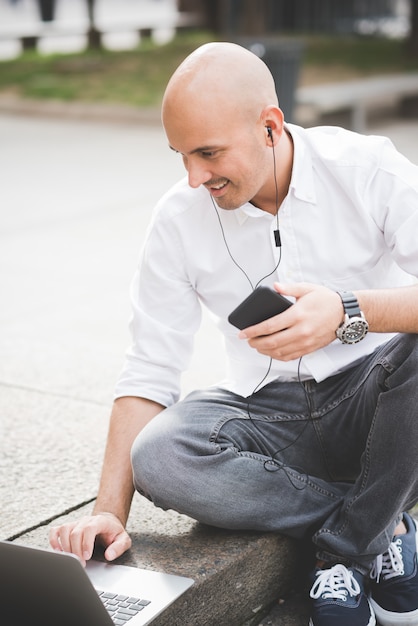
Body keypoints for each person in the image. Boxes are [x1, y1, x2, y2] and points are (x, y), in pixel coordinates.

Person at [49, 42, 418, 626]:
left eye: (208, 153)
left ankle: (347, 551)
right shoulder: (177, 219)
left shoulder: (366, 168)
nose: (195, 178)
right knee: (161, 453)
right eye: (180, 155)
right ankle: (382, 522)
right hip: (267, 417)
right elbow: (148, 367)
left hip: (375, 406)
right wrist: (109, 514)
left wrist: (350, 310)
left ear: (270, 127)